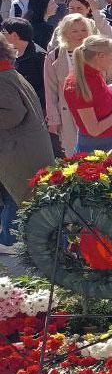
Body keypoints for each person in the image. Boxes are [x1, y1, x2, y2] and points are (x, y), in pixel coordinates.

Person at [0, 36, 55, 249]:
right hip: (26, 147)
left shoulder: (2, 78)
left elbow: (13, 113)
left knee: (19, 193)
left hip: (17, 150)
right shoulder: (9, 73)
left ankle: (11, 240)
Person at [63, 35, 112, 152]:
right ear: (100, 56)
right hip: (96, 147)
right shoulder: (79, 83)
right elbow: (94, 129)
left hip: (106, 142)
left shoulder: (95, 74)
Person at [2, 18, 47, 112]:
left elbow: (47, 87)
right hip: (16, 107)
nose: (1, 35)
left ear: (14, 35)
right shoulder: (8, 54)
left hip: (36, 109)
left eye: (3, 31)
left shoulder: (39, 57)